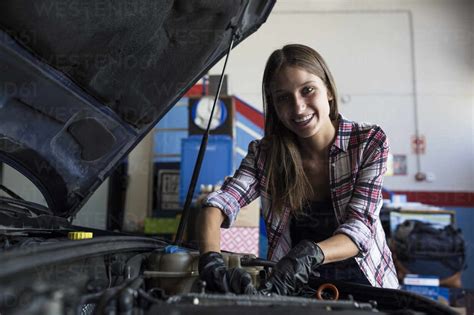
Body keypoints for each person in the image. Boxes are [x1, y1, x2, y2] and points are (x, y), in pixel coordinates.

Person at [196, 44, 399, 295]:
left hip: (366, 283)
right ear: (274, 106)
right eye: (283, 97)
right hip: (294, 287)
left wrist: (310, 253)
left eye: (308, 90)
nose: (298, 107)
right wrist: (210, 260)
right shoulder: (265, 154)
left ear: (329, 91)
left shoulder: (368, 142)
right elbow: (219, 203)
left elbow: (360, 229)